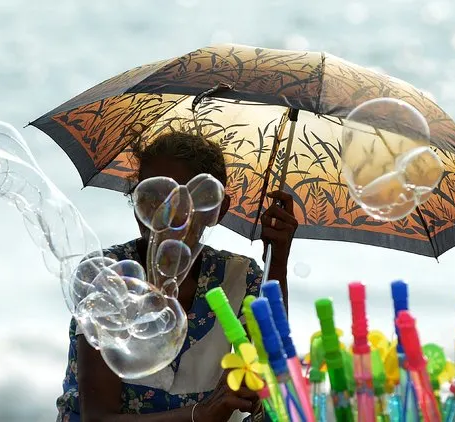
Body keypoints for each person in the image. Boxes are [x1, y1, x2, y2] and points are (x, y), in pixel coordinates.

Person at [56, 131, 298, 422]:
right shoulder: (106, 273)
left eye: (183, 199)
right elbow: (97, 417)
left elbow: (273, 380)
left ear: (217, 210)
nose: (164, 212)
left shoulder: (240, 277)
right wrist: (201, 415)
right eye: (150, 196)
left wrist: (278, 259)